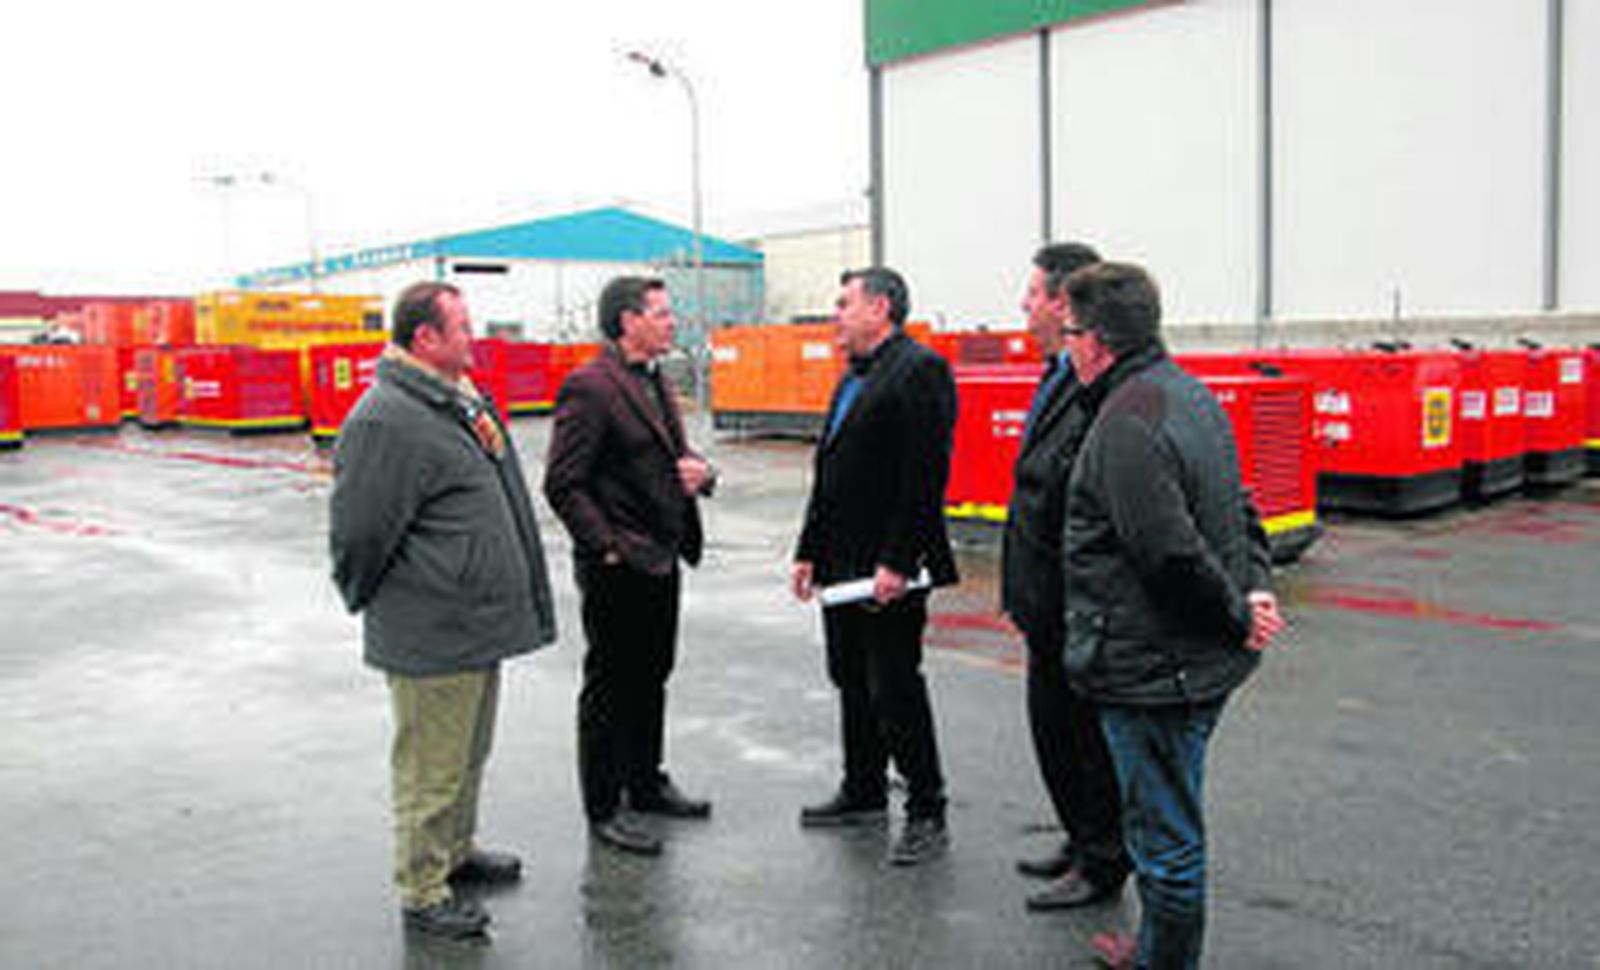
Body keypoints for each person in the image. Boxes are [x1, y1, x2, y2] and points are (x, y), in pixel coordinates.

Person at [1053, 263, 1286, 969]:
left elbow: (1170, 554)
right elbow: (1239, 507)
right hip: (1187, 658)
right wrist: (1255, 588)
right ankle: (1156, 948)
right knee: (1161, 821)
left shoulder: (1129, 421)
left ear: (1095, 341)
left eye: (1067, 333)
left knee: (1167, 841)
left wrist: (1237, 611)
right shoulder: (1187, 393)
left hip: (1158, 671)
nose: (1062, 348)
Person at [330, 281, 557, 941]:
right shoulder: (386, 418)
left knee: (465, 754)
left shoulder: (453, 400)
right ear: (425, 339)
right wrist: (373, 597)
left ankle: (455, 853)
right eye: (461, 326)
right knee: (430, 765)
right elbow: (359, 534)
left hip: (471, 623)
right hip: (431, 628)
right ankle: (422, 889)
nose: (472, 337)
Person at [791, 267, 959, 866]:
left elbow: (924, 478)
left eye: (844, 303)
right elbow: (829, 474)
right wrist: (807, 550)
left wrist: (898, 559)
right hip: (840, 565)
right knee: (849, 678)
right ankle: (863, 789)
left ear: (880, 308)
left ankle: (926, 808)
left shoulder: (920, 371)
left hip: (888, 569)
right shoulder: (851, 379)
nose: (835, 313)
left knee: (895, 685)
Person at [544, 275, 716, 858]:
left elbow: (672, 459)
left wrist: (703, 474)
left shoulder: (655, 378)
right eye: (662, 314)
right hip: (618, 566)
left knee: (652, 675)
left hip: (662, 557)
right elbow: (563, 483)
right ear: (627, 322)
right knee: (611, 686)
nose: (672, 323)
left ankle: (645, 783)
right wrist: (608, 546)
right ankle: (604, 806)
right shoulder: (590, 386)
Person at [1001, 243, 1131, 912]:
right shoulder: (1056, 375)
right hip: (1042, 601)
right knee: (1052, 729)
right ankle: (1081, 838)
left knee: (1084, 736)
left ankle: (1103, 859)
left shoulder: (1095, 388)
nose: (1023, 305)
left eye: (1032, 293)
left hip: (1073, 603)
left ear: (1063, 301)